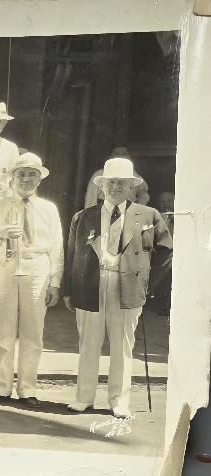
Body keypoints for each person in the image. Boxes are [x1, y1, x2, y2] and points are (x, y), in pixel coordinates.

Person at [62, 158, 172, 418]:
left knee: (122, 346)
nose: (115, 187)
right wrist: (69, 289)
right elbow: (71, 255)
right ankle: (84, 397)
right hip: (90, 285)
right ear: (101, 187)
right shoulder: (83, 216)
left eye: (122, 183)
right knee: (89, 343)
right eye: (110, 182)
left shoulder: (148, 215)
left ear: (132, 187)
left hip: (127, 287)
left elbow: (166, 253)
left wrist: (146, 285)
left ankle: (119, 401)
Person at [0, 153, 64, 408]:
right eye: (21, 174)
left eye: (32, 174)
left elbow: (57, 248)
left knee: (33, 333)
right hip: (4, 265)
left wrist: (55, 282)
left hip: (37, 267)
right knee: (3, 330)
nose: (26, 179)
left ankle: (28, 389)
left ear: (39, 179)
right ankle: (1, 387)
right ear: (12, 178)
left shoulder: (49, 209)